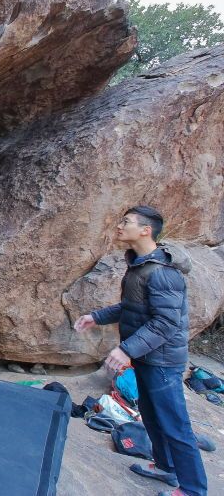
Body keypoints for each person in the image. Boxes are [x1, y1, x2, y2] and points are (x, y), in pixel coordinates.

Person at [74, 206, 207, 496]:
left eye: (127, 222)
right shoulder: (139, 265)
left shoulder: (162, 273)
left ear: (146, 230)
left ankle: (193, 489)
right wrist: (95, 317)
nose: (119, 226)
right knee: (151, 416)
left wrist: (125, 349)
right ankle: (165, 467)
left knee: (175, 426)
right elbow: (131, 307)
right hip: (146, 356)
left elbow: (165, 323)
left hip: (162, 361)